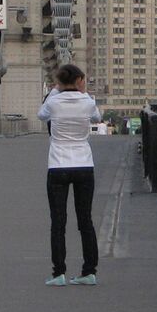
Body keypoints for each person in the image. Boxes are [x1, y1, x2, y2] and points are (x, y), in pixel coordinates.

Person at [38, 64, 101, 287]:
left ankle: (59, 273)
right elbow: (96, 117)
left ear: (60, 81)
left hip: (58, 166)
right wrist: (83, 92)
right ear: (79, 80)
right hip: (84, 165)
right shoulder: (87, 102)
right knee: (85, 221)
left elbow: (41, 114)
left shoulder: (53, 102)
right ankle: (89, 271)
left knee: (58, 222)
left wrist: (56, 90)